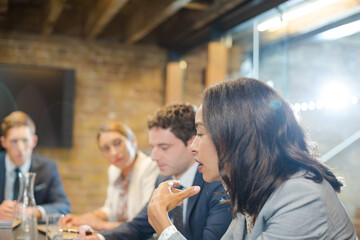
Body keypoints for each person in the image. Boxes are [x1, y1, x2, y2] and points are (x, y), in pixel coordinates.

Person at [147, 78, 358, 240]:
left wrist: (165, 228)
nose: (193, 148)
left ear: (237, 137)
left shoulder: (300, 195)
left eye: (200, 134)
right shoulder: (253, 190)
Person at [79, 103, 232, 240]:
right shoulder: (163, 179)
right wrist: (99, 237)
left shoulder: (217, 184)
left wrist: (162, 222)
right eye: (153, 147)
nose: (153, 156)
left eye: (163, 148)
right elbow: (139, 227)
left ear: (192, 144)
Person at [64, 121, 159, 230]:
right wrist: (87, 218)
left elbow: (144, 222)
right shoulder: (114, 170)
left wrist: (99, 225)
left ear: (132, 141)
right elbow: (110, 210)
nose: (113, 153)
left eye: (117, 143)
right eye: (106, 148)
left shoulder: (150, 166)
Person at [0, 111, 71, 221]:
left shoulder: (48, 168)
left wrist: (31, 212)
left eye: (25, 140)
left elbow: (64, 207)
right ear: (4, 142)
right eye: (14, 141)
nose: (20, 148)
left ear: (34, 141)